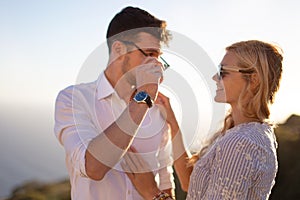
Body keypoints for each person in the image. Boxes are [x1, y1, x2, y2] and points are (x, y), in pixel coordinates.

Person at [122, 40, 283, 200]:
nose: (215, 77)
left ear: (253, 80)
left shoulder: (241, 142)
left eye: (223, 71)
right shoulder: (250, 132)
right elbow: (190, 183)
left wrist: (153, 193)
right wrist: (172, 121)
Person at [54, 6, 175, 199]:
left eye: (159, 57)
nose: (157, 65)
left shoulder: (159, 111)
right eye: (150, 54)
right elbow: (92, 168)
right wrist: (143, 96)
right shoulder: (73, 99)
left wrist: (154, 192)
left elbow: (167, 190)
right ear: (118, 48)